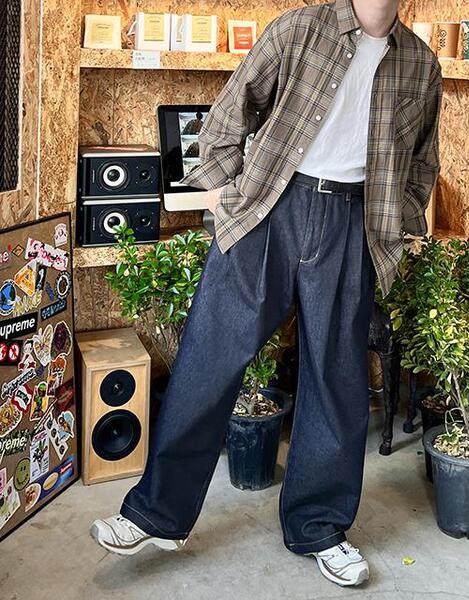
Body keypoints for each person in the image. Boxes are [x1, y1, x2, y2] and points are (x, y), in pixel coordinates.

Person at [90, 0, 442, 588]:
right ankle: (155, 515)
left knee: (337, 378)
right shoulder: (299, 29)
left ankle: (318, 527)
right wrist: (225, 194)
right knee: (208, 358)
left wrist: (395, 219)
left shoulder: (421, 64)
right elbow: (230, 112)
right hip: (271, 207)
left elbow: (423, 162)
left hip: (352, 221)